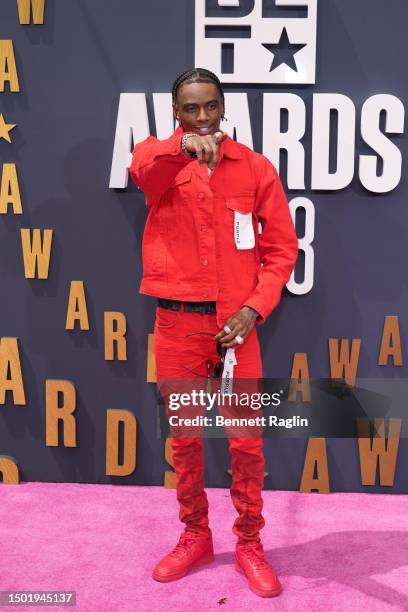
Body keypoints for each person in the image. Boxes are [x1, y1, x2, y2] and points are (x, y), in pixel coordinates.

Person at [129, 67, 298, 598]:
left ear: (224, 108)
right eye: (190, 109)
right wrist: (181, 147)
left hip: (235, 328)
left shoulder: (254, 168)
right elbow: (144, 169)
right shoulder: (158, 162)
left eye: (210, 107)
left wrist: (253, 309)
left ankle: (249, 542)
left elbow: (282, 249)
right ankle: (195, 535)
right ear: (175, 113)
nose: (202, 117)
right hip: (177, 325)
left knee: (247, 441)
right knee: (184, 439)